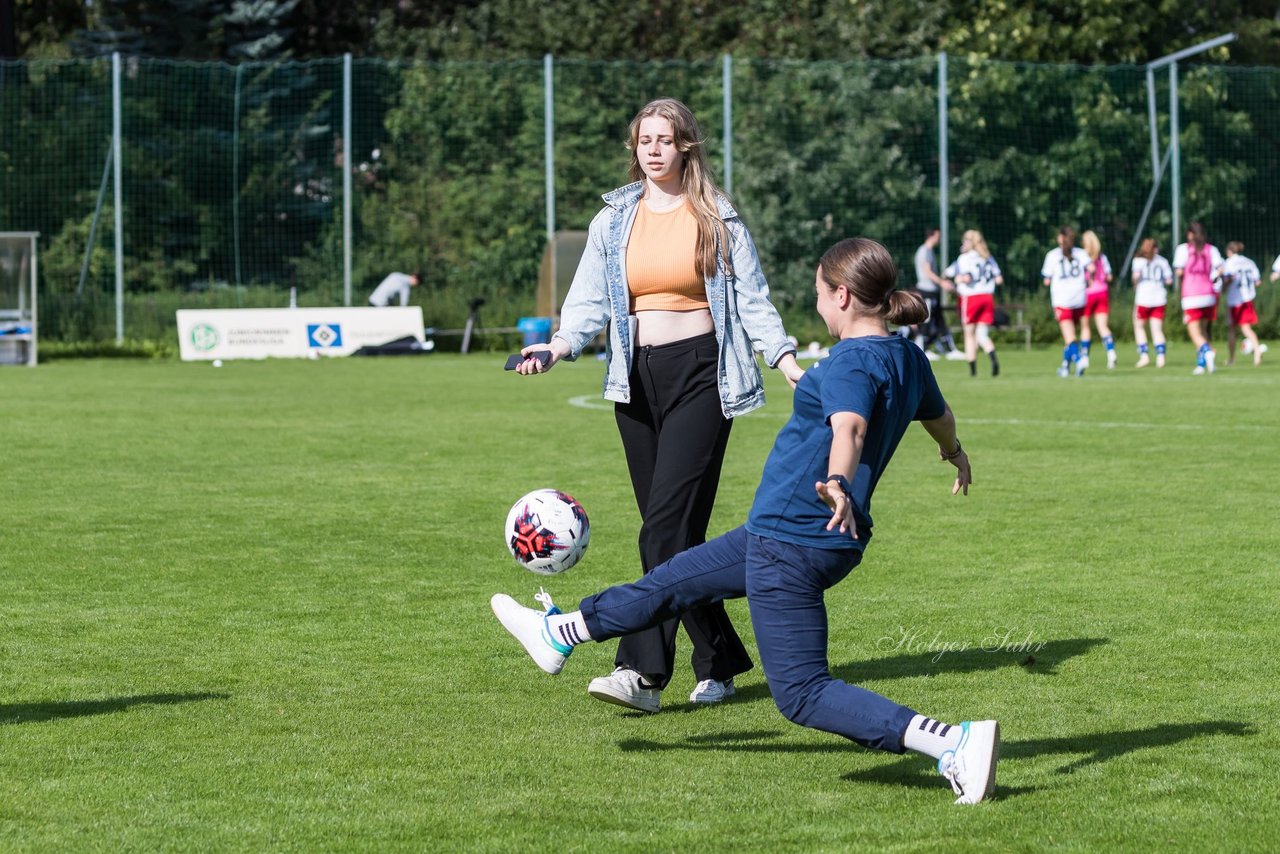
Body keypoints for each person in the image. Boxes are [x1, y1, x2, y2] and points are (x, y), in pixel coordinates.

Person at [493, 237, 998, 805]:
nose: (818, 308)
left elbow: (850, 428)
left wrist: (836, 481)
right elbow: (938, 414)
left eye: (818, 297)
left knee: (803, 693)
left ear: (844, 294)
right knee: (672, 581)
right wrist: (954, 451)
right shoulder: (905, 356)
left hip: (795, 538)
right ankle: (561, 633)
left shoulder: (852, 362)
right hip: (788, 534)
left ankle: (954, 742)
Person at [512, 98, 804, 713]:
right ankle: (720, 658)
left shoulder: (716, 217)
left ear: (685, 147)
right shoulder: (614, 219)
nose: (652, 149)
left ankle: (641, 674)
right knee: (676, 538)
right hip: (635, 382)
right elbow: (588, 299)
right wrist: (559, 346)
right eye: (643, 140)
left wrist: (785, 361)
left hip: (702, 375)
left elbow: (753, 300)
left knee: (662, 528)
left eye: (664, 139)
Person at [943, 229, 1001, 377]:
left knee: (969, 334)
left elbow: (964, 277)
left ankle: (973, 371)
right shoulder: (987, 257)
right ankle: (993, 359)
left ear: (969, 242)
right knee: (982, 334)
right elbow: (999, 279)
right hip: (987, 297)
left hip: (971, 298)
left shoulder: (965, 258)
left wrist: (957, 280)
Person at [1172, 222, 1225, 376]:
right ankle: (1202, 365)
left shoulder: (1183, 249)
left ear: (1190, 234)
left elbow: (1179, 272)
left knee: (1194, 332)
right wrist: (1213, 277)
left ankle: (1208, 351)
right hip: (1208, 294)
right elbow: (1220, 269)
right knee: (1203, 330)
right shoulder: (1211, 249)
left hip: (1191, 295)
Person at [1041, 226, 1092, 377]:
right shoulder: (1081, 253)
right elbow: (1091, 268)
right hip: (1079, 298)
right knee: (1071, 336)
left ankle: (1079, 359)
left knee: (1069, 336)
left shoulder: (1052, 255)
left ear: (1060, 238)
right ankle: (1065, 367)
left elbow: (1046, 280)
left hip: (1062, 300)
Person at [912, 228, 961, 361]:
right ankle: (923, 349)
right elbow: (927, 271)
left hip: (933, 291)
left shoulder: (928, 251)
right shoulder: (925, 251)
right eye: (938, 235)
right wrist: (942, 282)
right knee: (926, 320)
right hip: (926, 290)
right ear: (932, 235)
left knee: (939, 320)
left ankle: (950, 350)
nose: (940, 238)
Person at [1130, 238, 1173, 368]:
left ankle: (1144, 356)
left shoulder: (1138, 261)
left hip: (1143, 298)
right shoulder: (1162, 261)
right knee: (1157, 329)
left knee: (1139, 327)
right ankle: (1160, 357)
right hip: (1159, 298)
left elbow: (1135, 278)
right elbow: (1169, 280)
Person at [1222, 242, 1266, 366]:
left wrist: (1223, 288)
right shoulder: (1249, 262)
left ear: (1229, 251)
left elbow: (1228, 279)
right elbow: (1257, 282)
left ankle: (1231, 359)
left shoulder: (1229, 263)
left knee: (1231, 329)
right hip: (1247, 298)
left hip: (1234, 299)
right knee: (1246, 328)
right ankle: (1257, 351)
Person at [1080, 230, 1117, 370]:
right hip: (1102, 292)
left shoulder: (1081, 256)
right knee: (1103, 326)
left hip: (1087, 293)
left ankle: (1085, 358)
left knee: (1085, 327)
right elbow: (1109, 277)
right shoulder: (1102, 257)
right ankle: (1111, 353)